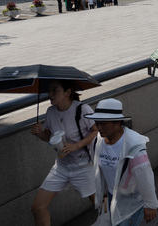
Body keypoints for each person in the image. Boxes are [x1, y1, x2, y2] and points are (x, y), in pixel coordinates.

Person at [30, 80, 98, 226]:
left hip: (84, 166)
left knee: (101, 207)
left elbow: (97, 130)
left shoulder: (82, 109)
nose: (50, 94)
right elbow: (50, 137)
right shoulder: (50, 112)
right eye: (49, 90)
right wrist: (39, 133)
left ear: (68, 92)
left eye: (55, 90)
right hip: (61, 166)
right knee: (37, 207)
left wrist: (76, 146)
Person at [85, 99, 158, 225]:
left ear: (117, 122)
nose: (99, 127)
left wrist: (150, 204)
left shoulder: (133, 145)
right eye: (97, 123)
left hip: (132, 200)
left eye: (104, 123)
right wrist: (103, 191)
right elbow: (99, 168)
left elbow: (145, 175)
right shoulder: (99, 141)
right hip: (112, 196)